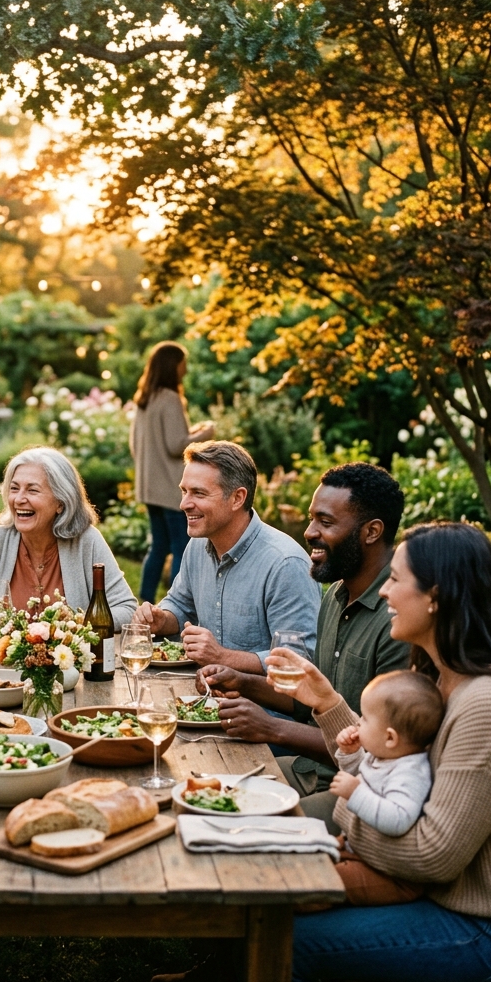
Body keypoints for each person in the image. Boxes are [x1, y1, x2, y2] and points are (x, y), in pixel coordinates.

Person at [268, 522, 491, 982]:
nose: (386, 593)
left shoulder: (489, 705)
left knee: (288, 937)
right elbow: (384, 773)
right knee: (271, 890)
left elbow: (431, 857)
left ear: (435, 596)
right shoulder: (443, 678)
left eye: (396, 580)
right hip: (432, 895)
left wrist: (349, 812)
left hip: (478, 928)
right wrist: (327, 703)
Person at [195, 463, 410, 829]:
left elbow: (383, 753)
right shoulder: (336, 596)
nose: (309, 532)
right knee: (201, 787)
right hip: (309, 768)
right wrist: (242, 682)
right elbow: (311, 701)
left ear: (372, 532)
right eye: (312, 520)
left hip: (359, 790)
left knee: (236, 826)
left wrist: (271, 729)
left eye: (325, 522)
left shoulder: (398, 622)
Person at [135, 440, 319, 674]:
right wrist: (162, 620)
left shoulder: (285, 564)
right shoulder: (197, 546)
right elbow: (181, 604)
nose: (184, 504)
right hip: (204, 698)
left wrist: (221, 656)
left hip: (263, 709)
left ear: (237, 498)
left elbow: (298, 660)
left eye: (199, 493)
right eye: (184, 491)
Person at [0, 446, 137, 630]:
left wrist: (77, 624)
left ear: (60, 502)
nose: (19, 499)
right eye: (14, 489)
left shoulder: (86, 542)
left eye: (32, 490)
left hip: (70, 669)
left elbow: (127, 610)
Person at [330, 669, 444, 906]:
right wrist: (352, 755)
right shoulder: (386, 756)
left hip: (390, 875)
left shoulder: (411, 773)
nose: (358, 723)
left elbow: (398, 818)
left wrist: (354, 793)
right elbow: (366, 780)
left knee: (317, 883)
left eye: (365, 718)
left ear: (390, 738)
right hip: (360, 852)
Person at [129, 341, 214, 602]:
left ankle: (144, 599)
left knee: (159, 547)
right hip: (170, 488)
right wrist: (206, 433)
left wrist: (191, 434)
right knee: (181, 547)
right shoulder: (170, 398)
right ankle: (176, 604)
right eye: (183, 363)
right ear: (172, 365)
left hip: (149, 487)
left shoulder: (145, 400)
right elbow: (176, 444)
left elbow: (136, 444)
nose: (185, 370)